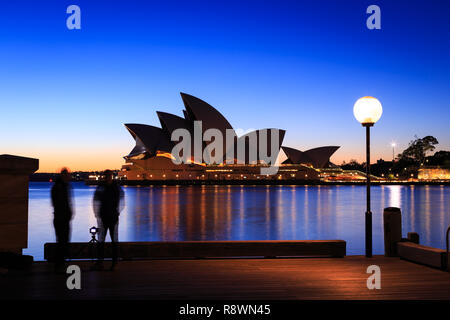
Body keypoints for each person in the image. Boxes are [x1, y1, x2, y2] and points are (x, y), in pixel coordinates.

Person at [92, 170, 124, 271]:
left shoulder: (115, 188)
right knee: (101, 240)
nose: (107, 178)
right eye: (106, 176)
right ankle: (101, 262)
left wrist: (117, 211)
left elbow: (122, 201)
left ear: (111, 176)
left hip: (113, 218)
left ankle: (113, 262)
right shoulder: (104, 187)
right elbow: (96, 201)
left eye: (108, 176)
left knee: (114, 240)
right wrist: (97, 215)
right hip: (103, 218)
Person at [51, 168, 73, 273]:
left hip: (63, 217)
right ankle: (59, 264)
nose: (69, 177)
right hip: (61, 218)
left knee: (62, 241)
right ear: (64, 176)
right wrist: (67, 213)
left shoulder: (62, 186)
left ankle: (60, 263)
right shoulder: (60, 187)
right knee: (62, 241)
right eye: (67, 175)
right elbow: (60, 202)